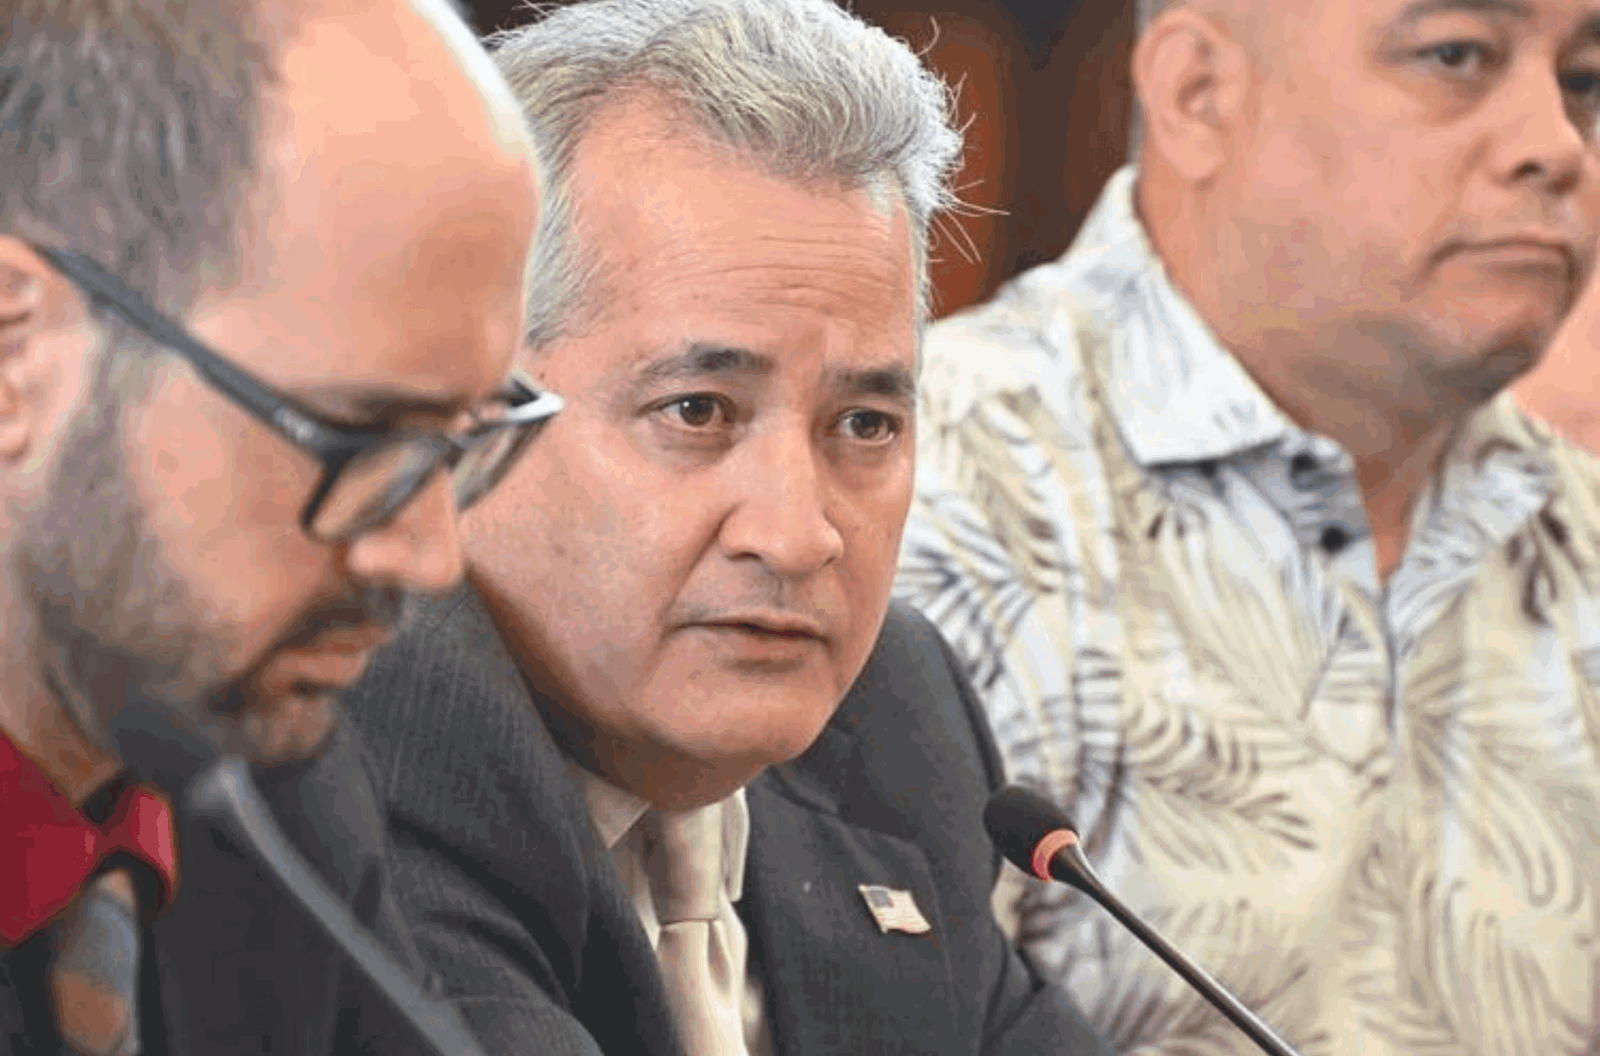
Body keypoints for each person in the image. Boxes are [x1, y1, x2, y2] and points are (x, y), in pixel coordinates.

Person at [339, 0, 1115, 1053]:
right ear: (468, 407)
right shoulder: (376, 727)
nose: (797, 537)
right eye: (697, 412)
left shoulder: (893, 721)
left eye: (864, 423)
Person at [896, 0, 1600, 1053]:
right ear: (1197, 92)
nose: (1553, 143)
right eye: (1455, 55)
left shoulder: (1575, 527)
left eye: (1584, 81)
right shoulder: (926, 495)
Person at [0, 0, 551, 1052]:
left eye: (462, 438)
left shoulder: (275, 797)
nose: (434, 558)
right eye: (357, 436)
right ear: (17, 356)